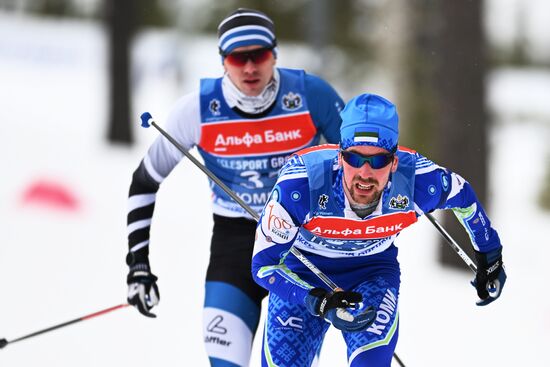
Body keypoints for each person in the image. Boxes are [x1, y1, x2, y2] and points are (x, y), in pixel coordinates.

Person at [124, 8, 345, 367]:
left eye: (258, 55)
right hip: (234, 246)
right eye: (237, 58)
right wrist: (137, 265)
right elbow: (144, 182)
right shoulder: (196, 110)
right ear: (223, 61)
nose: (249, 67)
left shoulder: (311, 95)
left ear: (274, 54)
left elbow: (363, 165)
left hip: (299, 247)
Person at [252, 93, 507, 366]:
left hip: (372, 274)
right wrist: (318, 301)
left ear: (394, 162)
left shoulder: (417, 182)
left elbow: (463, 195)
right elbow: (263, 267)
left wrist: (490, 254)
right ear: (340, 157)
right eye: (354, 158)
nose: (364, 173)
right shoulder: (301, 185)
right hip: (303, 273)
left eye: (378, 161)